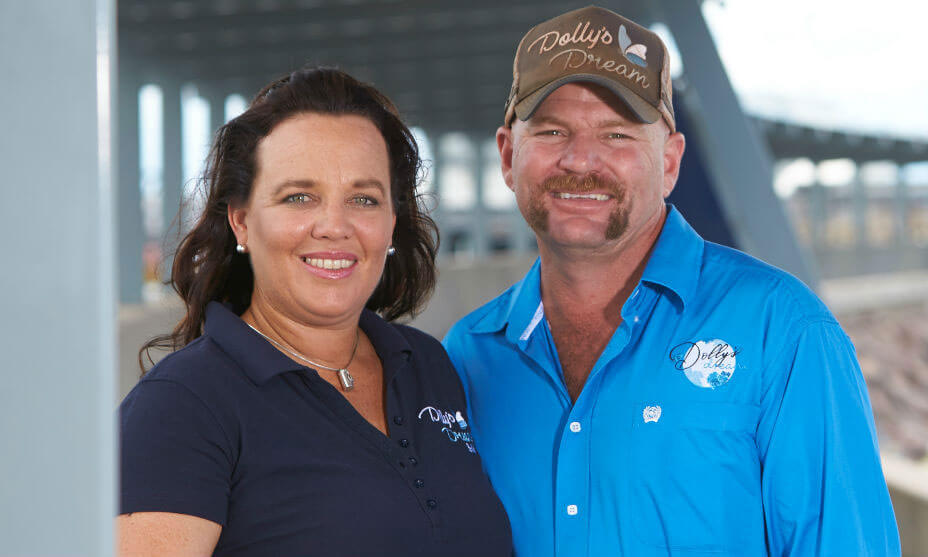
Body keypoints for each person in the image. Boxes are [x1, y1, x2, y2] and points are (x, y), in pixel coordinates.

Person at [443, 6, 900, 556]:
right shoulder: (467, 357)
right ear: (509, 156)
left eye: (616, 134)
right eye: (552, 130)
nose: (581, 158)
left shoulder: (782, 331)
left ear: (670, 162)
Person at [118, 67, 511, 556]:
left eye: (363, 199)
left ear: (391, 222)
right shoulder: (181, 407)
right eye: (298, 197)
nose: (334, 226)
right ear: (241, 221)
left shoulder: (428, 366)